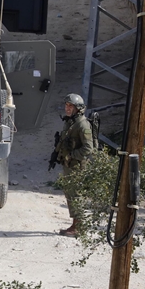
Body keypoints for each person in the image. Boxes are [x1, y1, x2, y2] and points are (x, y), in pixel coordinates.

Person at [53, 93, 95, 237]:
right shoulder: (70, 122)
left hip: (77, 166)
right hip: (69, 165)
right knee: (70, 193)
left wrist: (71, 155)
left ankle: (79, 227)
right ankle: (76, 224)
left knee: (75, 195)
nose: (67, 108)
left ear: (78, 108)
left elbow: (88, 148)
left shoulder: (82, 124)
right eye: (66, 105)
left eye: (70, 106)